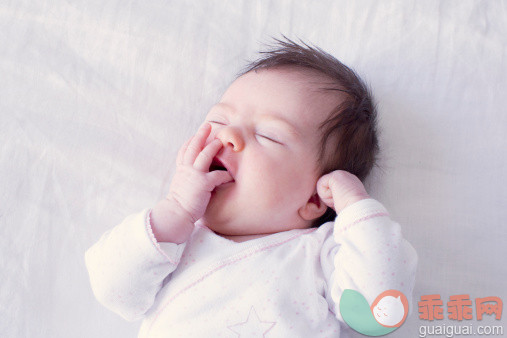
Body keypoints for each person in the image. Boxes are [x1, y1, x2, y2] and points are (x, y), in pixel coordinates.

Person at [85, 37, 417, 337]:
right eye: (219, 120)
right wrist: (174, 209)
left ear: (315, 197)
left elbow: (380, 311)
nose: (229, 135)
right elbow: (113, 289)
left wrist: (356, 208)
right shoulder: (174, 241)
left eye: (268, 135)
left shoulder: (320, 257)